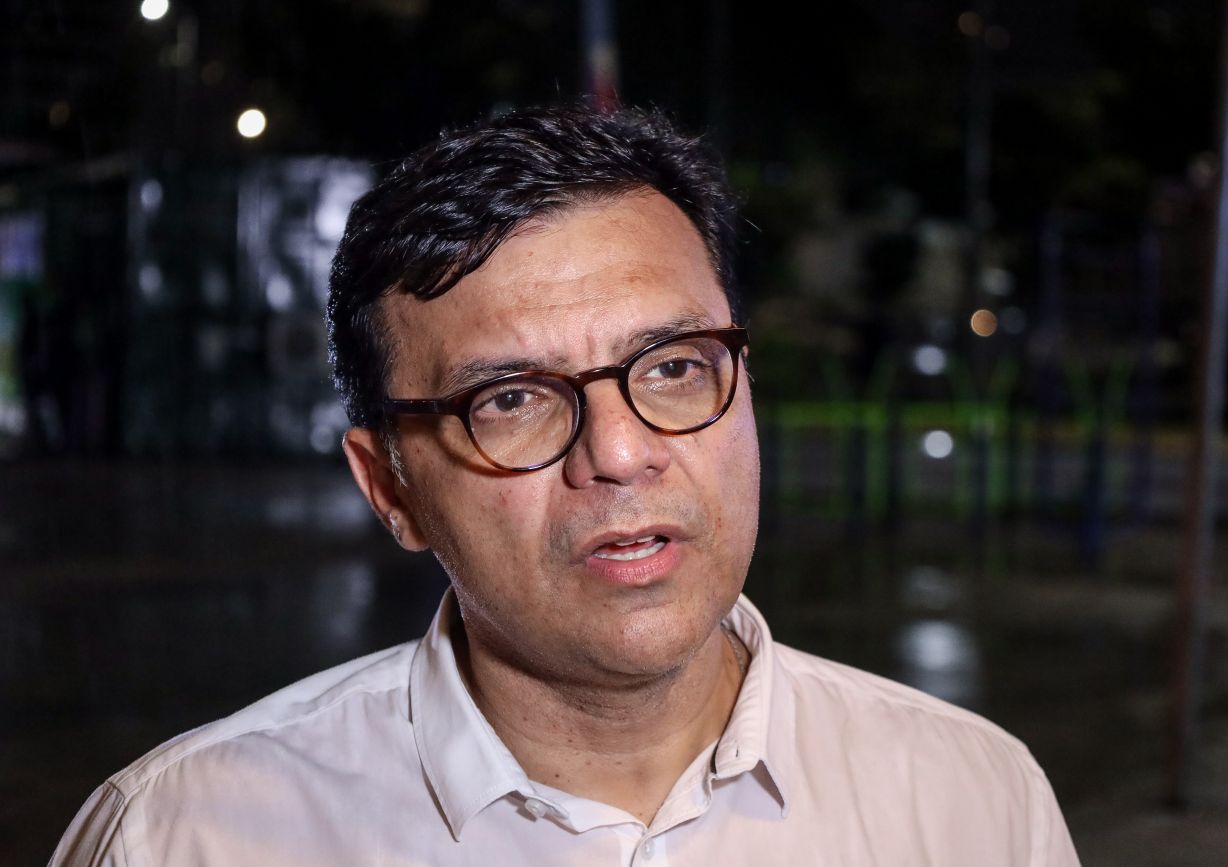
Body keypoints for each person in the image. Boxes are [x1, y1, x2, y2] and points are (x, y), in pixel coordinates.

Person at [50, 104, 1080, 866]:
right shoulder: (184, 837)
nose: (621, 452)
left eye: (673, 367)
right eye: (511, 399)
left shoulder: (971, 803)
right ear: (390, 487)